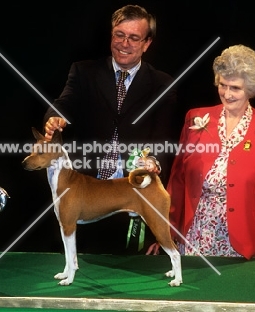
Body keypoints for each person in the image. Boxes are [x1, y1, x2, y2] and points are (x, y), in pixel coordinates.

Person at [42, 4, 178, 254]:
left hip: (132, 197)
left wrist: (154, 162)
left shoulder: (162, 84)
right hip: (85, 196)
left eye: (134, 38)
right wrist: (55, 117)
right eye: (119, 35)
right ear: (111, 35)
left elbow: (162, 139)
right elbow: (63, 103)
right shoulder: (83, 72)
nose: (124, 43)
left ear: (146, 43)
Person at [147, 44, 255, 259]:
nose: (227, 94)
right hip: (194, 235)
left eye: (236, 88)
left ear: (250, 89)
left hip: (243, 244)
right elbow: (178, 181)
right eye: (223, 85)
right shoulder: (195, 119)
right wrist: (166, 231)